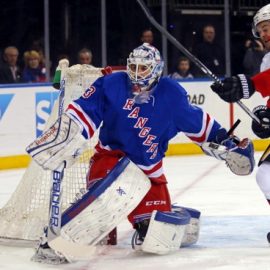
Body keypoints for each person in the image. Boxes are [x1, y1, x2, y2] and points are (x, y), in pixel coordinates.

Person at [27, 43, 254, 263]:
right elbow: (84, 111)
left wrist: (226, 142)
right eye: (133, 67)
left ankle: (158, 220)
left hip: (148, 173)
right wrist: (66, 135)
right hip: (110, 161)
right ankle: (60, 243)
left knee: (156, 237)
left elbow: (198, 123)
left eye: (142, 68)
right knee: (105, 201)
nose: (136, 73)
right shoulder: (112, 83)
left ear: (156, 69)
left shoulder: (172, 94)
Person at [210, 3, 270, 242]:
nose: (264, 34)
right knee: (266, 175)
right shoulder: (267, 60)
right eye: (261, 30)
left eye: (267, 27)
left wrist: (247, 85)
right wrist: (265, 118)